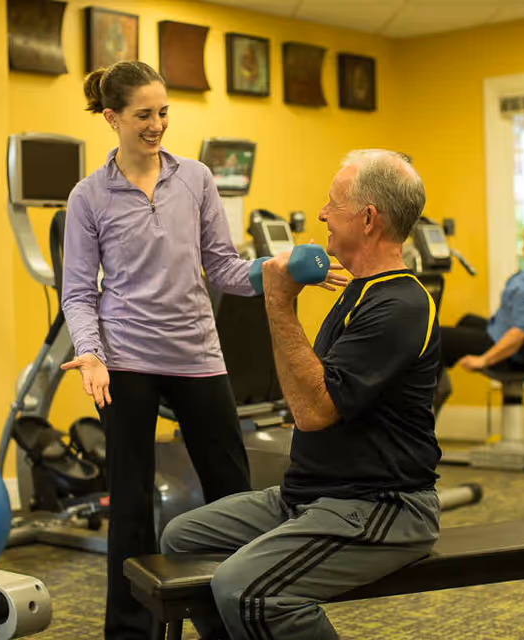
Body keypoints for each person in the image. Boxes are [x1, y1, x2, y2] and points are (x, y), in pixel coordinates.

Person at [59, 61, 345, 640]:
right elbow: (78, 291)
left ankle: (233, 615)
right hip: (126, 360)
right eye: (143, 114)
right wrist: (90, 353)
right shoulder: (89, 196)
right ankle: (131, 632)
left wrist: (279, 270)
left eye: (163, 112)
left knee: (232, 492)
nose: (157, 124)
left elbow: (223, 268)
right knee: (132, 504)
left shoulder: (195, 179)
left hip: (196, 353)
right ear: (112, 118)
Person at [160, 149, 442, 640]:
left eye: (332, 203)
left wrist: (279, 299)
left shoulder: (401, 304)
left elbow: (312, 412)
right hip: (311, 496)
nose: (321, 214)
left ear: (368, 219)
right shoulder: (358, 291)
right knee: (182, 538)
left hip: (383, 506)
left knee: (246, 589)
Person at [440, 218, 524, 374]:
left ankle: (427, 393)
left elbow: (519, 332)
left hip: (511, 353)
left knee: (439, 337)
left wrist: (483, 360)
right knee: (466, 320)